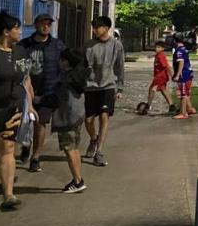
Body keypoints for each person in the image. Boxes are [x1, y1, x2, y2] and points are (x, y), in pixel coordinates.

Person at [0, 11, 34, 210]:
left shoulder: (21, 52)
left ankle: (8, 195)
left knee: (7, 150)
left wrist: (30, 105)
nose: (19, 31)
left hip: (11, 109)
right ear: (6, 32)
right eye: (16, 28)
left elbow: (26, 79)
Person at [18, 13, 65, 173]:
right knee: (25, 123)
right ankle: (26, 144)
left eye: (48, 24)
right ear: (36, 25)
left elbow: (64, 65)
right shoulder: (24, 45)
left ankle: (36, 157)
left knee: (41, 123)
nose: (46, 26)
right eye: (43, 23)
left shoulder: (57, 45)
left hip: (48, 90)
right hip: (27, 90)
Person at [84, 16, 125, 167]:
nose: (95, 30)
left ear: (107, 28)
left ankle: (99, 151)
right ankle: (93, 139)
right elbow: (83, 66)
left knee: (104, 116)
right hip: (91, 86)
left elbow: (120, 67)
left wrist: (119, 87)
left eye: (98, 27)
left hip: (108, 86)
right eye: (93, 27)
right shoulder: (89, 46)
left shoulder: (116, 45)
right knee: (88, 120)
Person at [52, 48, 88, 193]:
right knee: (75, 148)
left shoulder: (66, 78)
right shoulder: (79, 75)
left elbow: (59, 99)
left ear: (66, 61)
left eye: (61, 59)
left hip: (67, 118)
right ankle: (78, 179)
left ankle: (77, 181)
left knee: (69, 149)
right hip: (78, 116)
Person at [142, 41, 174, 115]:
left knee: (152, 89)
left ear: (163, 48)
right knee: (163, 90)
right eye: (156, 47)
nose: (156, 48)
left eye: (158, 47)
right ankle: (172, 105)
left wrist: (172, 75)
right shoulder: (158, 55)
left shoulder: (161, 56)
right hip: (159, 76)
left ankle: (147, 106)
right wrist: (152, 56)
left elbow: (166, 66)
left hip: (160, 77)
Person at [172, 34, 196, 120]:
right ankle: (190, 109)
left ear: (175, 41)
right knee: (186, 92)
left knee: (183, 94)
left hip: (183, 75)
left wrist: (177, 75)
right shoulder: (184, 49)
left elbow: (181, 62)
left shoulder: (179, 51)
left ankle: (183, 113)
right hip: (188, 74)